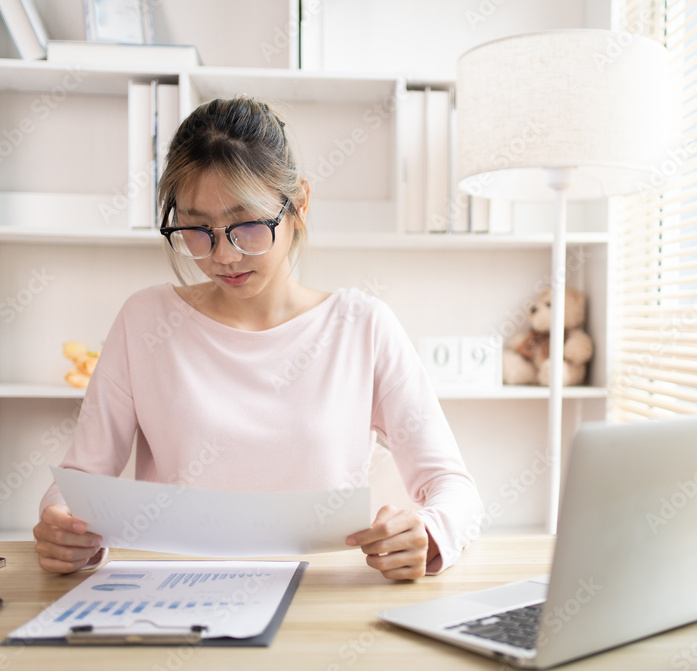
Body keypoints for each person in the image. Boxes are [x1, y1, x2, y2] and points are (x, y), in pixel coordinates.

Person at [33, 96, 483, 580]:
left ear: (300, 204)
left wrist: (429, 532)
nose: (223, 255)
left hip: (319, 602)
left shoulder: (363, 327)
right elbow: (81, 478)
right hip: (173, 597)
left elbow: (452, 487)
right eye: (196, 228)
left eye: (247, 224)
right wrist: (63, 523)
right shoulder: (145, 320)